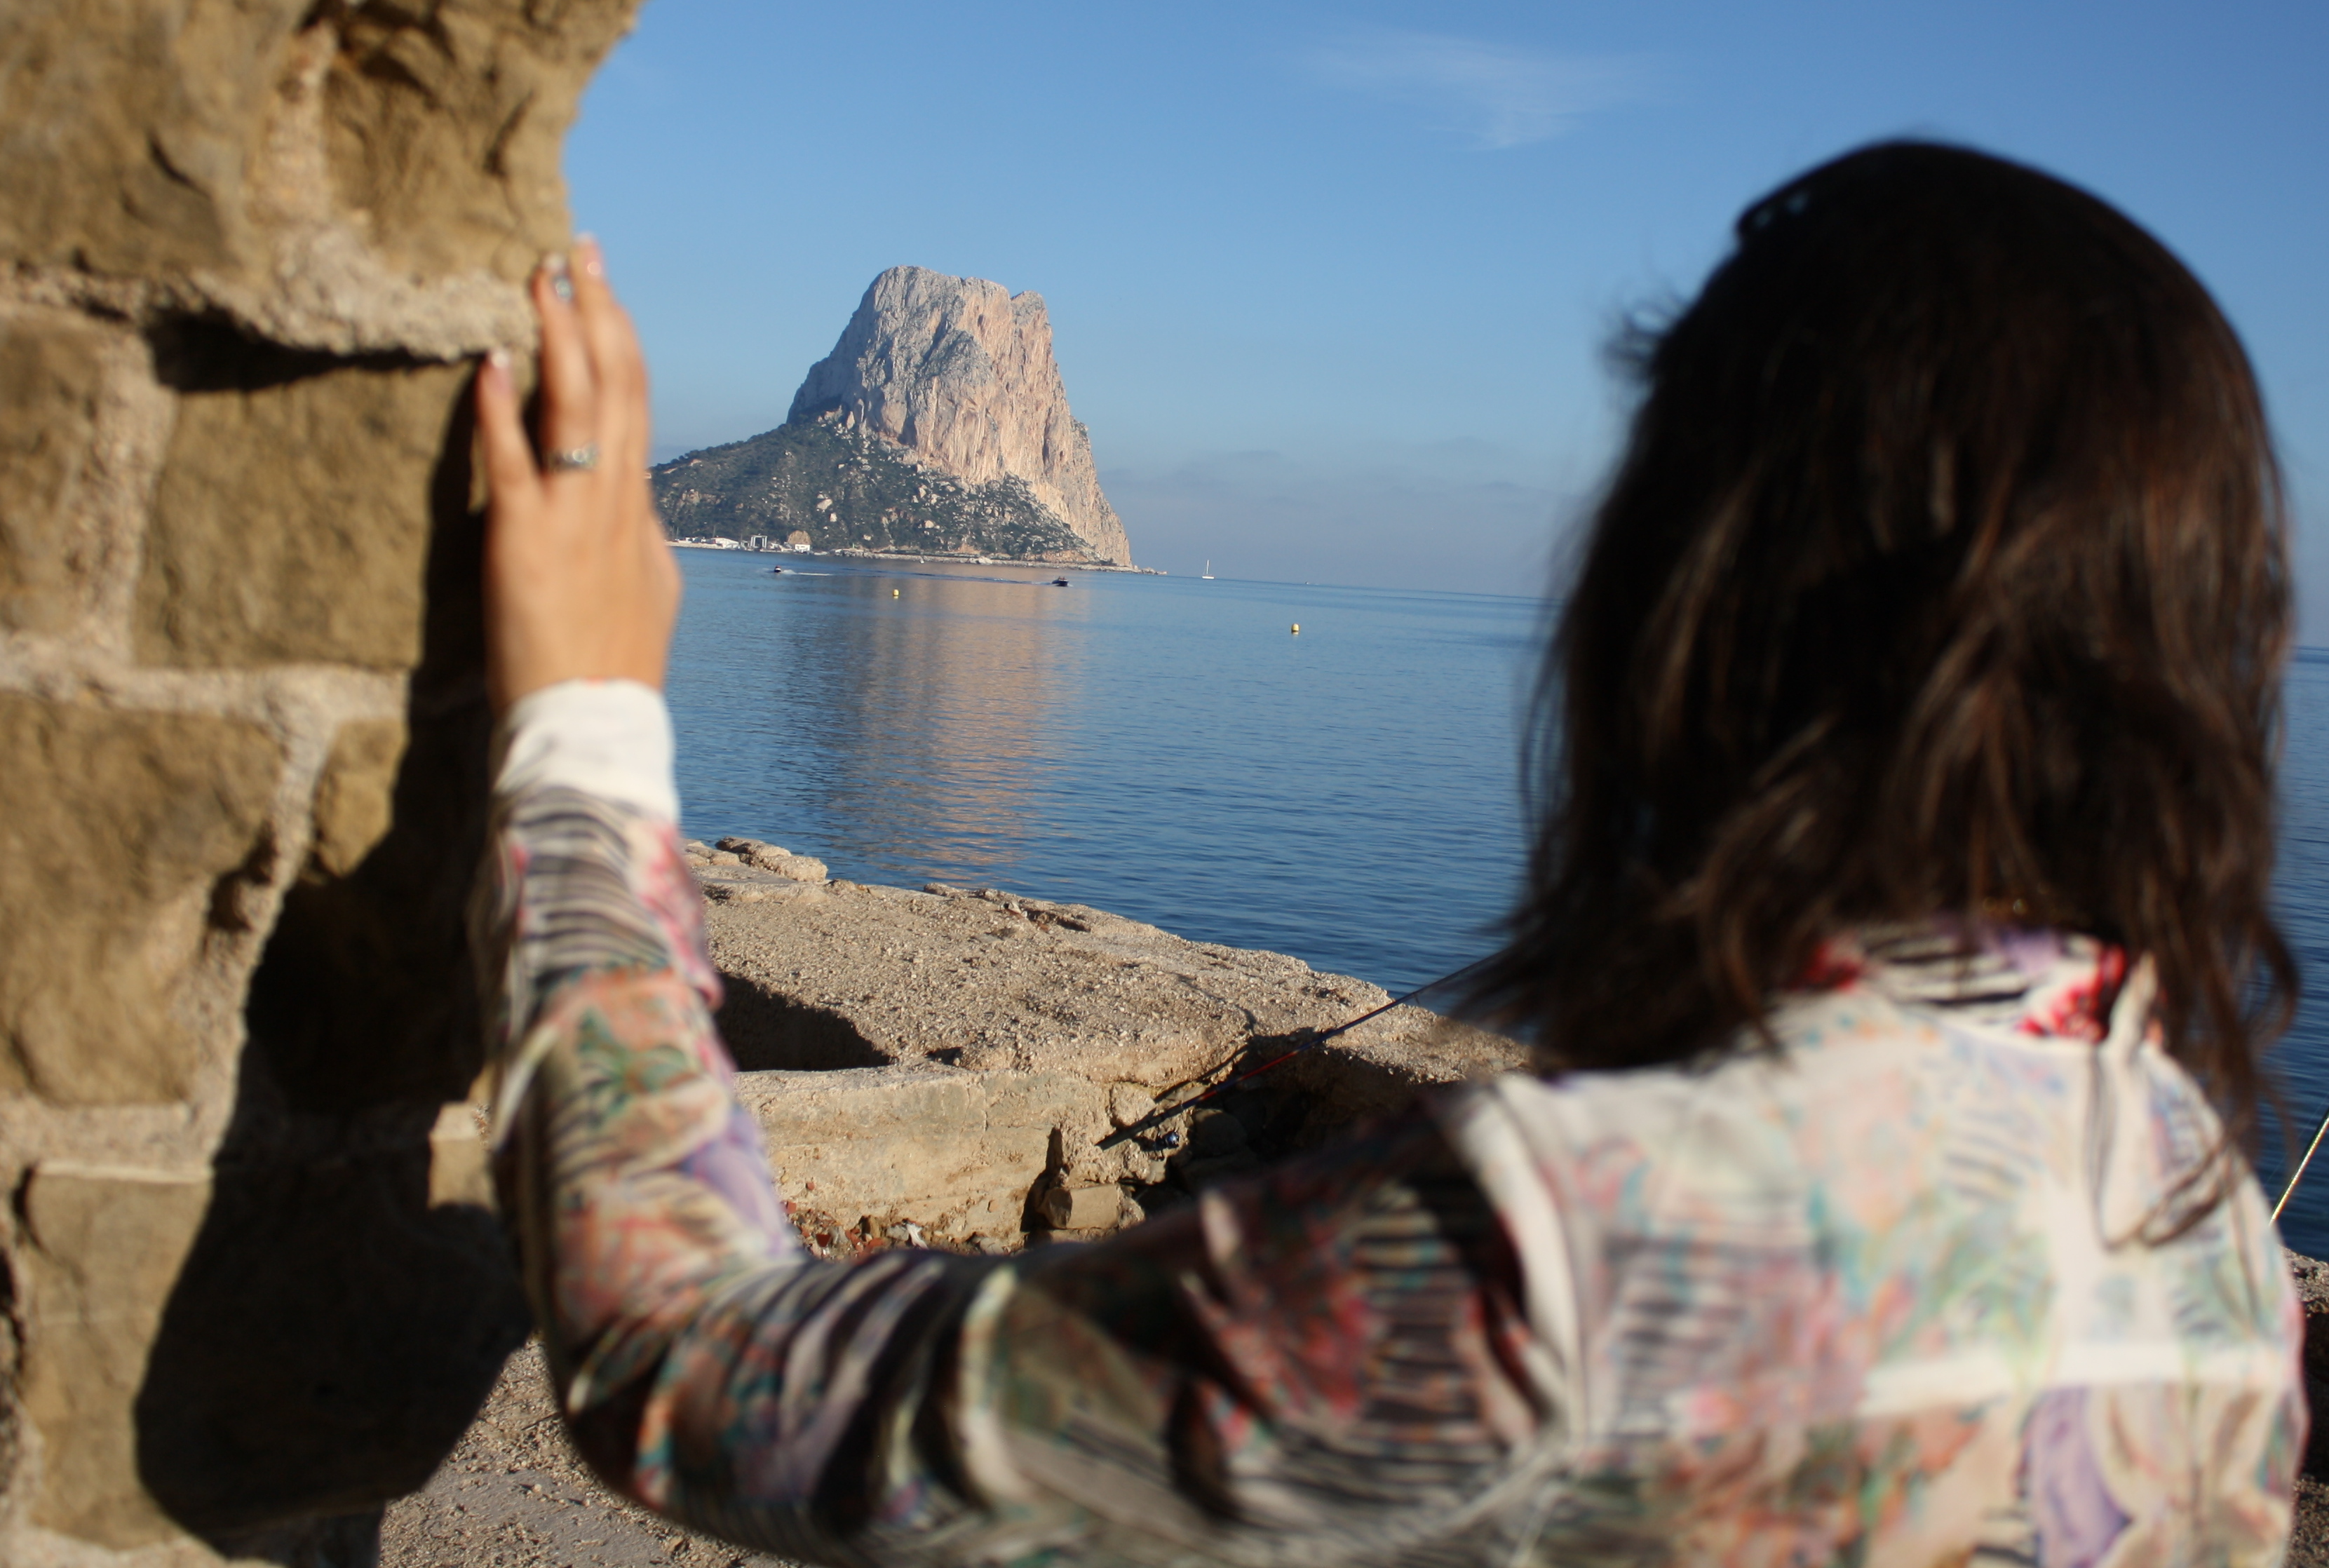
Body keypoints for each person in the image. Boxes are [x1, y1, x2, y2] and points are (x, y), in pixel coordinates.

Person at [467, 142, 2304, 1565]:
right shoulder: (2188, 1214)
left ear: (1695, 598)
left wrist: (585, 725)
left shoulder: (1576, 1248)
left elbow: (689, 1369)